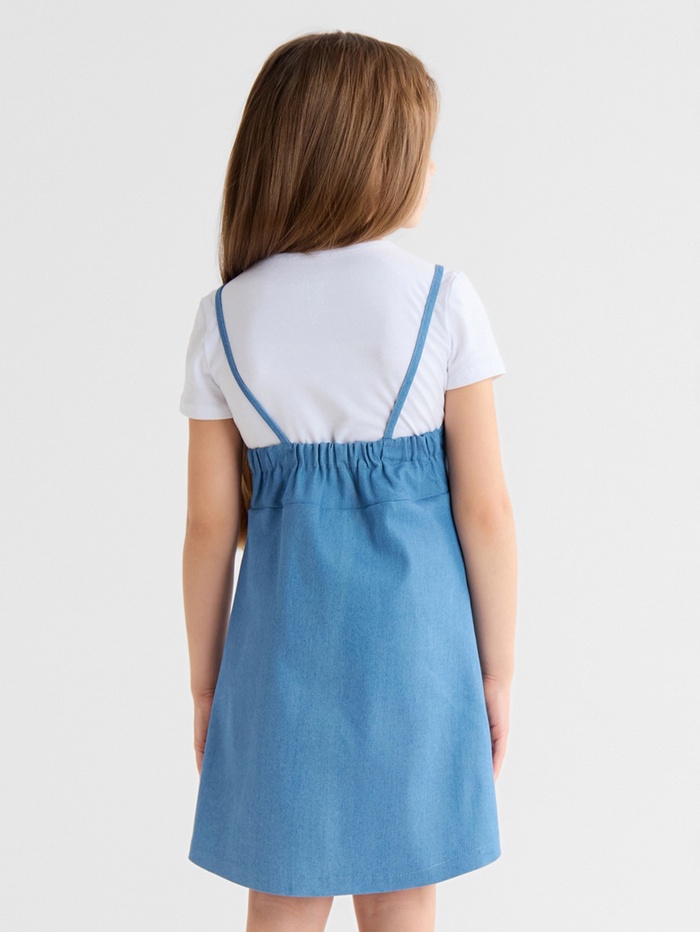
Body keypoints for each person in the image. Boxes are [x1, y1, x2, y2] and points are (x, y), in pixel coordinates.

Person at [180, 30, 517, 932]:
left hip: (276, 656)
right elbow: (486, 511)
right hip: (418, 653)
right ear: (372, 158)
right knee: (403, 893)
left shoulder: (224, 317)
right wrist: (497, 670)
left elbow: (210, 530)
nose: (433, 167)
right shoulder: (442, 299)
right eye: (421, 147)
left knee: (283, 894)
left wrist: (207, 685)